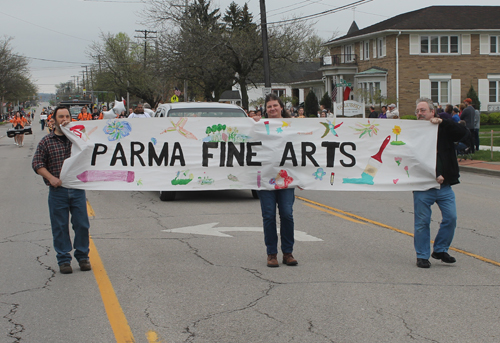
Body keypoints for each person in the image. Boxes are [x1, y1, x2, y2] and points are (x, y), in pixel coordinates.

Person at [31, 106, 91, 274]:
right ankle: (64, 259)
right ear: (54, 119)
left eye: (67, 116)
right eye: (61, 116)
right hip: (58, 192)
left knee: (82, 225)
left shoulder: (79, 140)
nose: (64, 119)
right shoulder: (46, 141)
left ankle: (83, 257)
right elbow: (37, 164)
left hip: (77, 190)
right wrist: (51, 178)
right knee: (60, 226)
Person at [413, 97, 469, 269]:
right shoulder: (413, 131)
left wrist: (444, 122)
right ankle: (422, 256)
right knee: (422, 222)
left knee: (451, 218)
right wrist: (434, 174)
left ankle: (440, 249)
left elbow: (462, 133)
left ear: (432, 112)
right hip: (423, 186)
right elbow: (411, 158)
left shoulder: (443, 128)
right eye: (417, 111)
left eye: (423, 110)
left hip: (444, 186)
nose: (420, 114)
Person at [255, 93, 297, 267]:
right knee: (269, 216)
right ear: (266, 110)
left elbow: (301, 151)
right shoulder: (259, 127)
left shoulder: (292, 127)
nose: (272, 109)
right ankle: (271, 254)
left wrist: (304, 177)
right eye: (269, 106)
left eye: (275, 105)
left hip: (286, 179)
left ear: (281, 107)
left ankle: (288, 253)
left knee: (287, 214)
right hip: (265, 178)